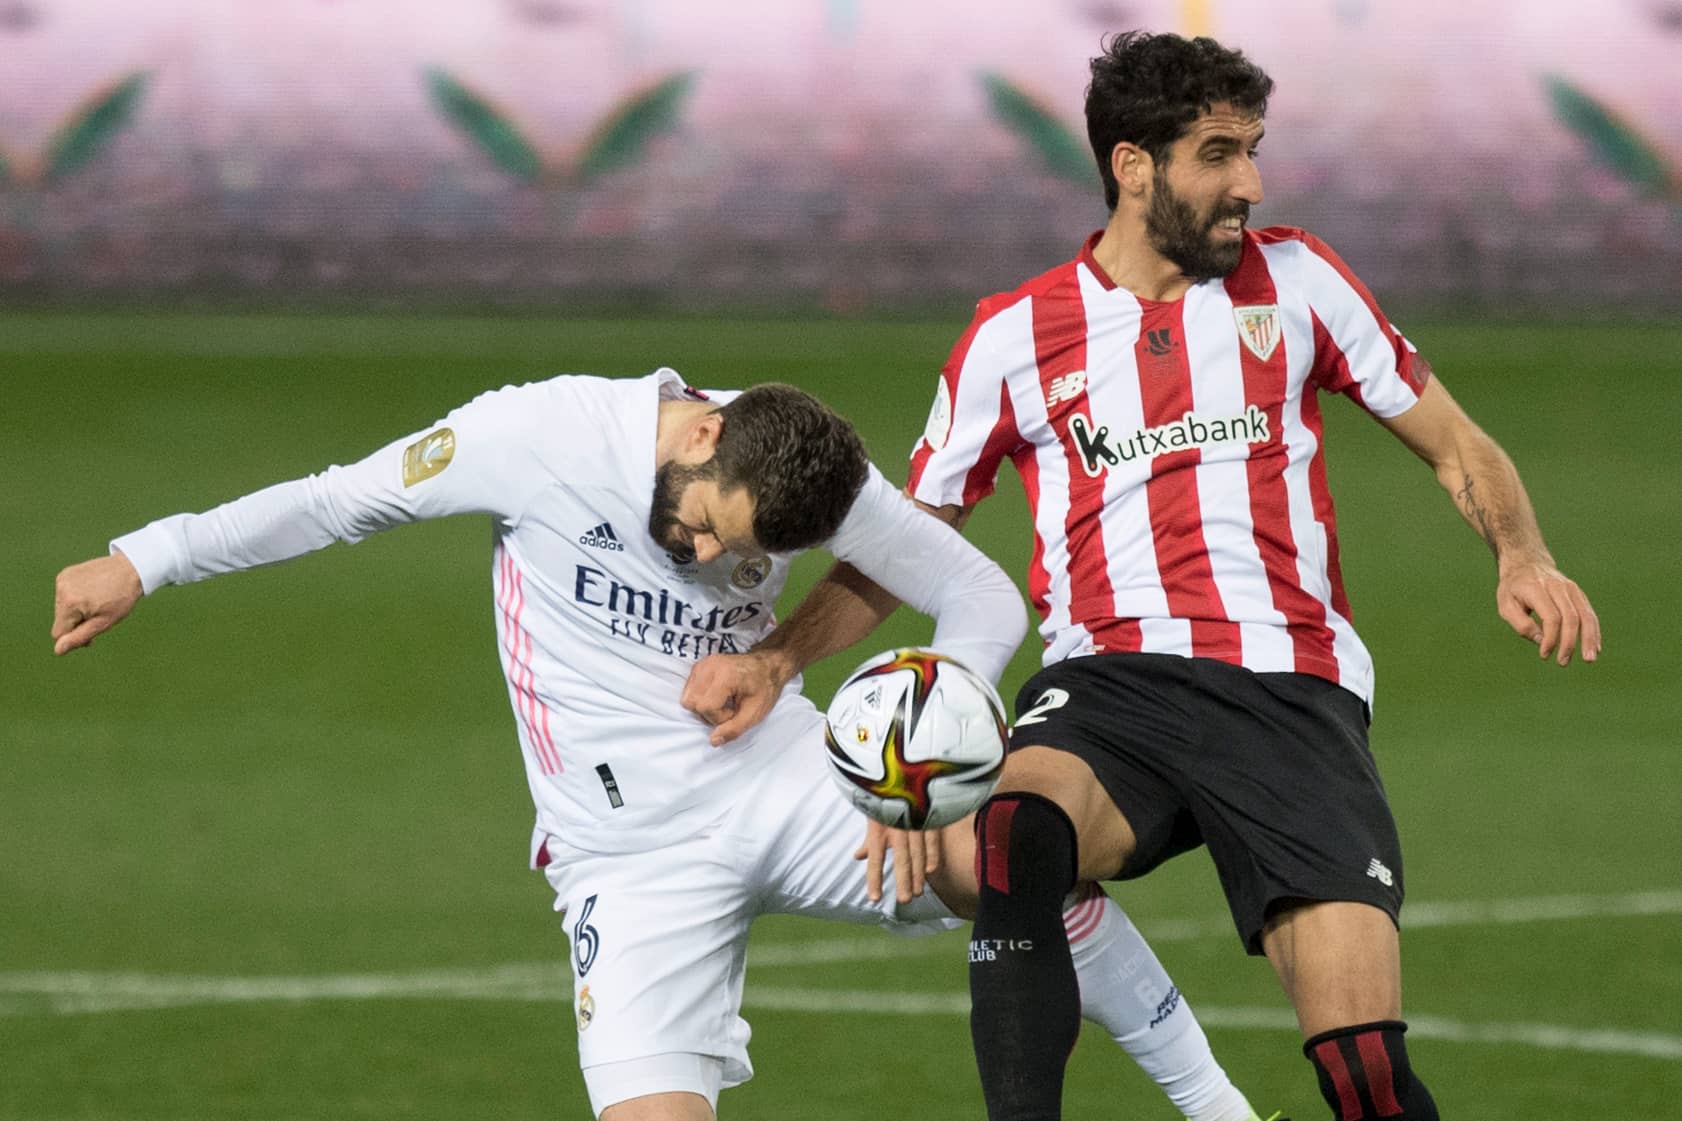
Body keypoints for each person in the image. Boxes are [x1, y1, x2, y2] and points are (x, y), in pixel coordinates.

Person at [678, 31, 1602, 1121]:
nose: (1247, 184)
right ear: (1131, 165)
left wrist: (1520, 551)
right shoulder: (1012, 336)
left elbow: (1457, 442)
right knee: (1009, 836)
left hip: (1289, 689)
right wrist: (779, 656)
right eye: (1217, 153)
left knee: (1359, 1065)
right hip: (1110, 689)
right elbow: (901, 544)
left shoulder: (1298, 282)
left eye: (1253, 150)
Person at [53, 369, 1268, 1121]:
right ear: (699, 434)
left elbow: (983, 598)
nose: (696, 557)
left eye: (720, 547)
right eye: (698, 527)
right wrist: (144, 557)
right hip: (624, 857)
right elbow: (337, 499)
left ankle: (1217, 1108)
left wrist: (890, 737)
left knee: (1001, 848)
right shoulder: (535, 434)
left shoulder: (812, 477)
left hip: (789, 784)